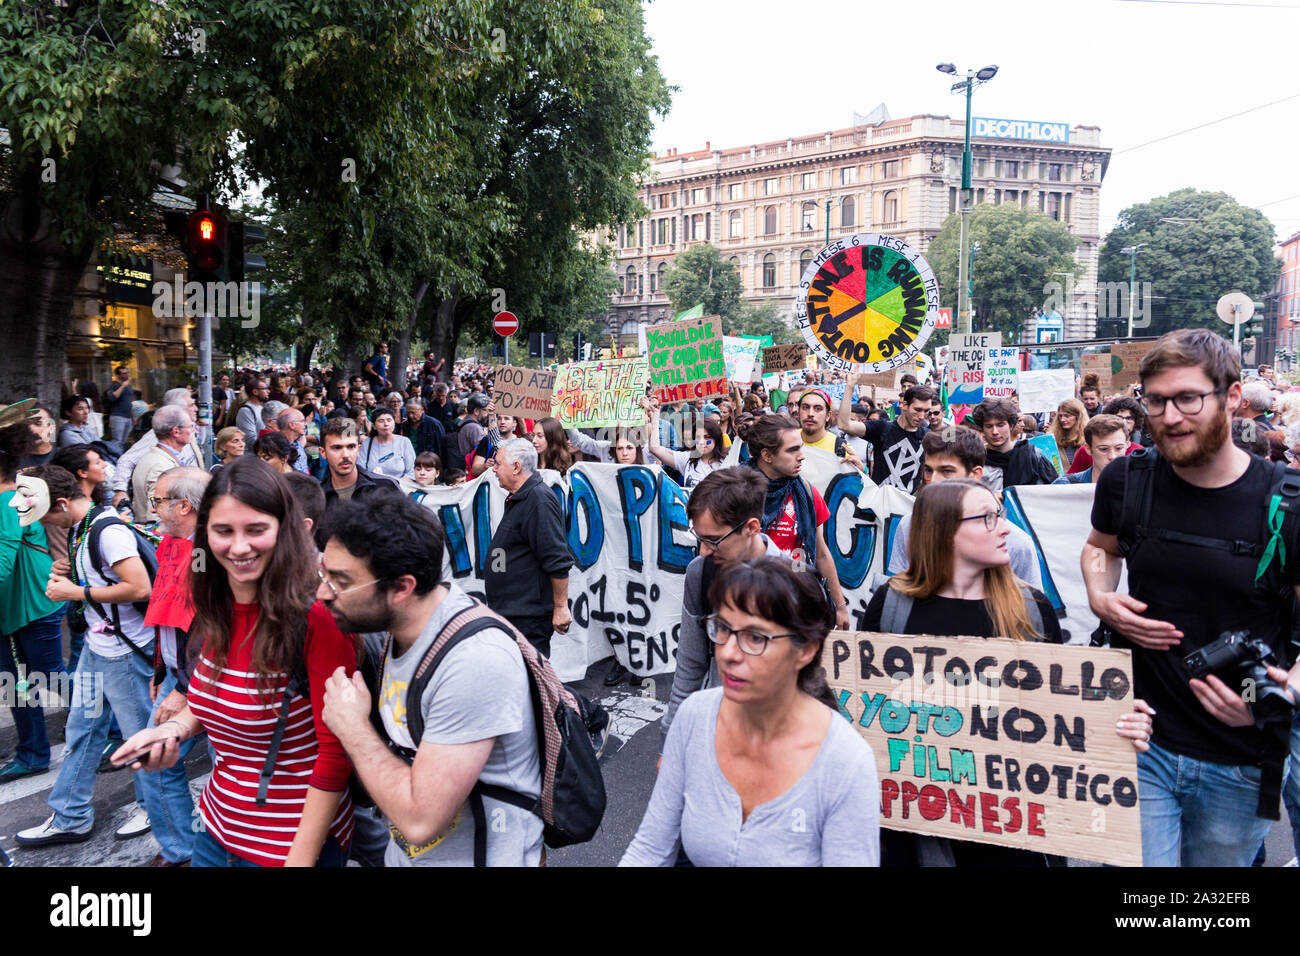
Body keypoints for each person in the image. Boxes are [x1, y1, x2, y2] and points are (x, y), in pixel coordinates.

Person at [1083, 328, 1300, 866]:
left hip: (1242, 757)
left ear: (1230, 397)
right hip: (1139, 740)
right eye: (1155, 401)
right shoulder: (1127, 480)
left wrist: (1285, 694)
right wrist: (1100, 595)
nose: (1170, 417)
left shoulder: (1287, 503)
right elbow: (1099, 550)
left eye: (1187, 398)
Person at [866, 477, 1153, 865]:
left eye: (998, 514)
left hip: (1014, 829)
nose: (1004, 528)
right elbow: (868, 709)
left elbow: (1057, 715)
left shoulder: (1031, 609)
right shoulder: (891, 607)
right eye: (987, 518)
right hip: (921, 826)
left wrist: (1114, 725)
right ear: (944, 530)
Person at [110, 457, 358, 867]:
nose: (239, 547)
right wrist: (174, 729)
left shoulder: (318, 618)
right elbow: (217, 696)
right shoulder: (215, 605)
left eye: (256, 529)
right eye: (224, 531)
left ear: (285, 530)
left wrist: (300, 859)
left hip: (291, 843)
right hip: (216, 831)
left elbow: (337, 752)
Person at [314, 494, 545, 866]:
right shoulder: (403, 626)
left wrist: (351, 727)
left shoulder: (474, 662)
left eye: (340, 581)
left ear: (402, 588)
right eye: (323, 574)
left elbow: (420, 820)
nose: (323, 592)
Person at [621, 557, 880, 866]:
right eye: (723, 628)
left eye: (755, 637)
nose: (728, 653)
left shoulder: (846, 763)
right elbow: (650, 849)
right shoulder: (694, 718)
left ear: (806, 649)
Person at [15, 465, 171, 849]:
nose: (47, 523)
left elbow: (139, 587)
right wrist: (75, 575)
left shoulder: (108, 531)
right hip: (101, 650)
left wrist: (76, 593)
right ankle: (70, 815)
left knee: (141, 739)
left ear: (64, 502)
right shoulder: (82, 528)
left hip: (126, 652)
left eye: (49, 515)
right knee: (82, 732)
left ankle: (156, 810)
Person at [655, 467, 789, 719]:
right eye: (700, 538)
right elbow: (689, 664)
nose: (704, 551)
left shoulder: (795, 585)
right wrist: (668, 739)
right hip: (716, 727)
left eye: (714, 540)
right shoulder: (701, 573)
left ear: (751, 527)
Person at [889, 428, 1041, 589]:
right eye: (928, 470)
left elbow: (1030, 608)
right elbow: (898, 595)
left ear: (975, 474)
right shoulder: (910, 526)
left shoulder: (1013, 543)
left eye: (946, 471)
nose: (932, 480)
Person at [0, 429, 68, 785]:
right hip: (16, 608)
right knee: (15, 681)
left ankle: (119, 725)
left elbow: (2, 563)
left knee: (51, 675)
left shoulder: (8, 500)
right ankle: (33, 752)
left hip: (33, 604)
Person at [741, 414, 850, 629]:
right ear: (767, 455)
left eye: (800, 447)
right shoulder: (737, 493)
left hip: (797, 605)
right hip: (750, 607)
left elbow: (821, 552)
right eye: (792, 450)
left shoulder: (807, 492)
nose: (802, 456)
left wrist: (840, 606)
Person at [485, 438, 573, 658]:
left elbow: (557, 558)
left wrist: (561, 607)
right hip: (513, 612)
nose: (493, 469)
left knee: (531, 681)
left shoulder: (538, 500)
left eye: (498, 464)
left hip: (528, 617)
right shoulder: (521, 496)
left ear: (516, 467)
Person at [838, 378, 934, 492]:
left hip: (909, 506)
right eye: (917, 410)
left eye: (926, 410)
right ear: (904, 405)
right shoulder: (882, 428)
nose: (922, 416)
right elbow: (844, 425)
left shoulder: (927, 437)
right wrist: (850, 386)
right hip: (879, 506)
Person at [110, 389, 201, 510]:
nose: (196, 409)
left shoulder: (188, 431)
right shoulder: (159, 435)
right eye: (191, 405)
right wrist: (120, 490)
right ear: (177, 411)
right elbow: (127, 460)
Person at [130, 405, 195, 525]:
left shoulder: (157, 457)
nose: (193, 430)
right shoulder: (161, 467)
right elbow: (156, 517)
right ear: (176, 431)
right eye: (190, 426)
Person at [979, 397, 1059, 493]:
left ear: (1011, 425)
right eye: (989, 426)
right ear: (982, 429)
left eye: (1000, 425)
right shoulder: (976, 459)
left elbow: (1053, 491)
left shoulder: (1031, 455)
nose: (995, 432)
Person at [643, 399, 727, 488]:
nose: (701, 442)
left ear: (716, 438)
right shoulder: (687, 459)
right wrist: (655, 417)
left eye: (707, 437)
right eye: (698, 437)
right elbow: (655, 449)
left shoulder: (727, 463)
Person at [319, 417, 399, 511]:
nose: (345, 455)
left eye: (351, 447)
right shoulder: (316, 494)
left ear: (358, 450)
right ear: (323, 452)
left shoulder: (386, 487)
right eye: (337, 448)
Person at [1053, 414, 1130, 485]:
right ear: (1088, 449)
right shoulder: (1065, 486)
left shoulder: (1139, 486)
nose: (1112, 456)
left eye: (1119, 448)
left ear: (1127, 445)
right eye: (1103, 449)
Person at [358, 410, 415, 480]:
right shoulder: (366, 443)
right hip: (373, 487)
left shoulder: (404, 442)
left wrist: (398, 485)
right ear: (374, 426)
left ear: (394, 423)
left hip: (399, 487)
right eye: (381, 421)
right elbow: (361, 470)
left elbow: (411, 471)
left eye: (389, 420)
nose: (386, 424)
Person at [400, 397, 446, 462]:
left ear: (422, 410)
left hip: (428, 462)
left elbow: (441, 447)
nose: (410, 416)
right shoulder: (405, 425)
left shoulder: (434, 424)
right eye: (408, 413)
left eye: (413, 413)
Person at [1048, 398, 1088, 468]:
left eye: (1067, 416)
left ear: (1078, 417)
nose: (1062, 419)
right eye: (1060, 416)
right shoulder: (1052, 438)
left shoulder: (1089, 437)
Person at [457, 394, 492, 464]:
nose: (487, 414)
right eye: (485, 410)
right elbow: (483, 452)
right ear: (476, 411)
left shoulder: (464, 421)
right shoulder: (475, 428)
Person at [275, 408, 311, 475]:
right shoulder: (277, 449)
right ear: (292, 425)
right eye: (302, 421)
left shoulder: (297, 444)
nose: (305, 424)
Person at [236, 379, 269, 448]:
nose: (268, 391)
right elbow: (250, 440)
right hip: (253, 455)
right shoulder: (246, 411)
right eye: (264, 389)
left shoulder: (263, 407)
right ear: (255, 392)